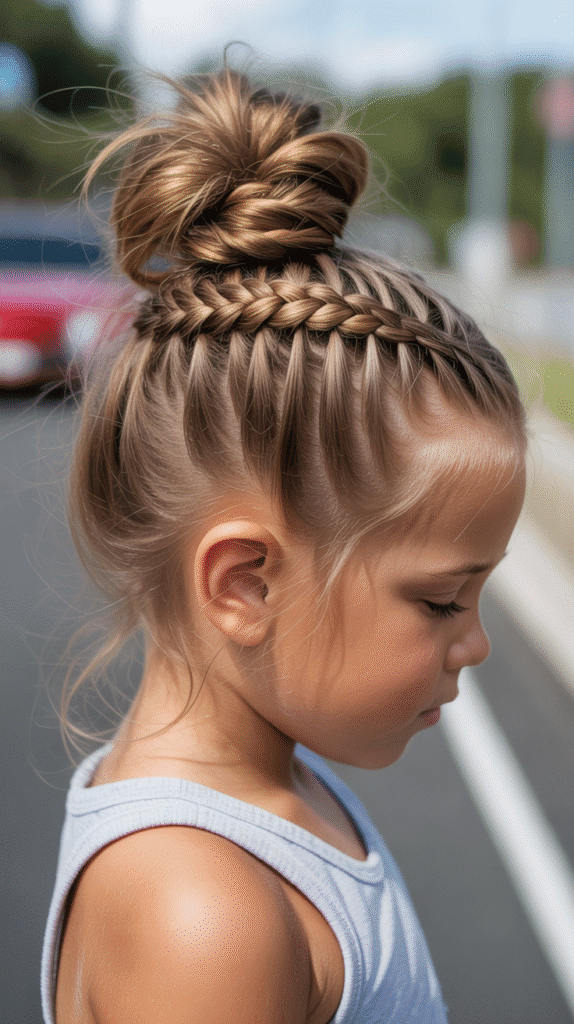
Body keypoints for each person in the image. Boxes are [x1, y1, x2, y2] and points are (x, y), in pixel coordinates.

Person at [41, 68, 527, 1024]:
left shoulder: (284, 791)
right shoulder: (202, 916)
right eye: (441, 600)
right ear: (247, 584)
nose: (473, 644)